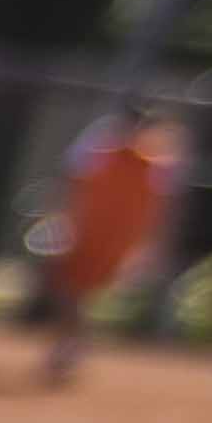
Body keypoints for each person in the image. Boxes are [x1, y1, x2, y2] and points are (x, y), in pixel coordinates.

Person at [38, 97, 183, 386]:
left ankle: (71, 345)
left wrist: (151, 245)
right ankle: (71, 343)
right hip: (85, 230)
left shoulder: (154, 162)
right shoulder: (100, 149)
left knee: (80, 292)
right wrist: (59, 219)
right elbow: (70, 182)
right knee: (67, 288)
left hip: (117, 237)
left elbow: (162, 208)